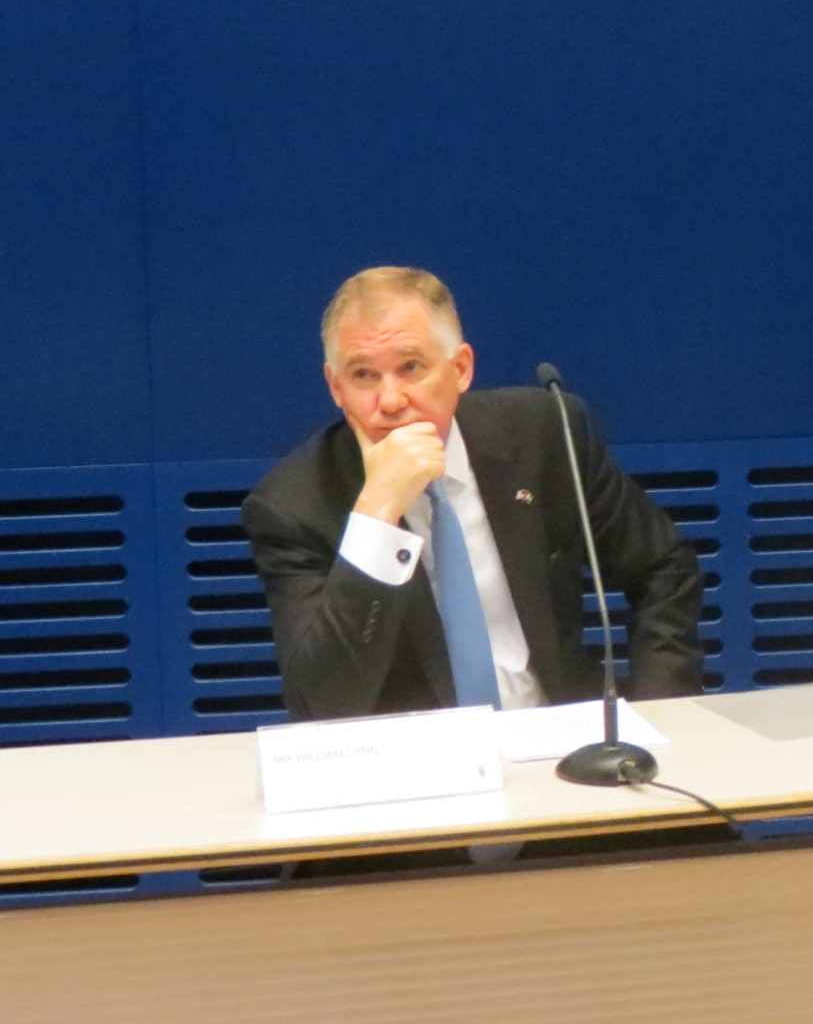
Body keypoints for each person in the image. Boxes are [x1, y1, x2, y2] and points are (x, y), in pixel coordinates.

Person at [244, 266, 702, 721]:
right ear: (336, 387)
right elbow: (321, 704)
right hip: (414, 768)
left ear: (460, 369)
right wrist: (377, 515)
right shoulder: (293, 506)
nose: (389, 401)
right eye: (363, 375)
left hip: (560, 745)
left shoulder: (545, 434)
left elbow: (663, 568)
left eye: (410, 367)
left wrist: (659, 715)